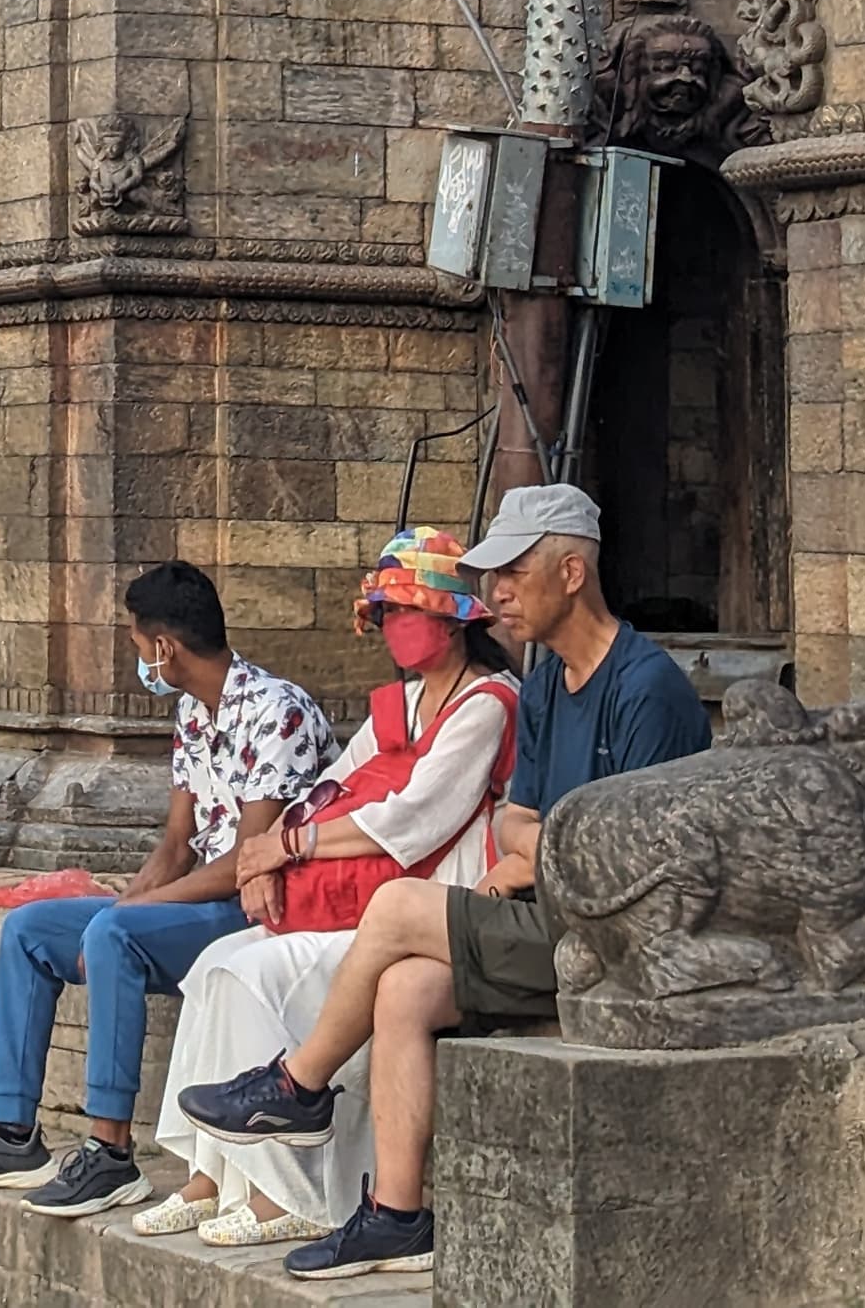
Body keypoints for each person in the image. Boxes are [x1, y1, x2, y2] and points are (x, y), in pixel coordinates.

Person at [178, 481, 709, 1281]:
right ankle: (397, 1213)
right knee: (405, 990)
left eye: (512, 573)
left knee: (396, 906)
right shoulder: (542, 687)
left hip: (616, 938)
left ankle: (299, 1083)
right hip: (549, 907)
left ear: (571, 572)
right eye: (489, 575)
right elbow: (515, 823)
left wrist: (540, 842)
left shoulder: (645, 688)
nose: (494, 592)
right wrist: (541, 842)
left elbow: (634, 861)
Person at [145, 530, 521, 1248]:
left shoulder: (487, 703)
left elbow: (409, 818)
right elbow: (328, 789)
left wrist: (286, 845)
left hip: (426, 900)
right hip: (355, 891)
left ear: (455, 621)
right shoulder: (401, 704)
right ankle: (211, 1173)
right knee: (216, 967)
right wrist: (262, 859)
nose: (397, 628)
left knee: (260, 975)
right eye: (389, 615)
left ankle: (291, 1190)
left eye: (410, 612)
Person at [0, 561, 328, 1213]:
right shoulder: (194, 711)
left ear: (164, 646)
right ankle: (12, 1131)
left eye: (139, 644)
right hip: (198, 899)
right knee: (31, 929)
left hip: (256, 910)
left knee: (113, 930)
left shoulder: (279, 712)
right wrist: (126, 903)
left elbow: (247, 861)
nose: (139, 658)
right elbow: (174, 845)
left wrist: (124, 918)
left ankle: (109, 1151)